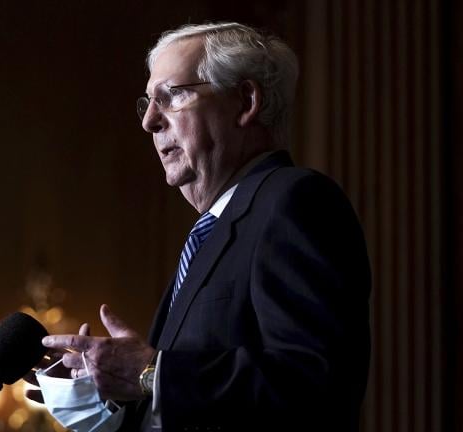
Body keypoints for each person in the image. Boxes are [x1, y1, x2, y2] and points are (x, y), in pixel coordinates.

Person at [36, 22, 371, 431]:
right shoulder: (211, 233)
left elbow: (314, 382)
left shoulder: (294, 201)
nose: (150, 122)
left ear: (246, 101)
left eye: (172, 96)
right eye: (147, 103)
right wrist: (101, 398)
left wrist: (150, 374)